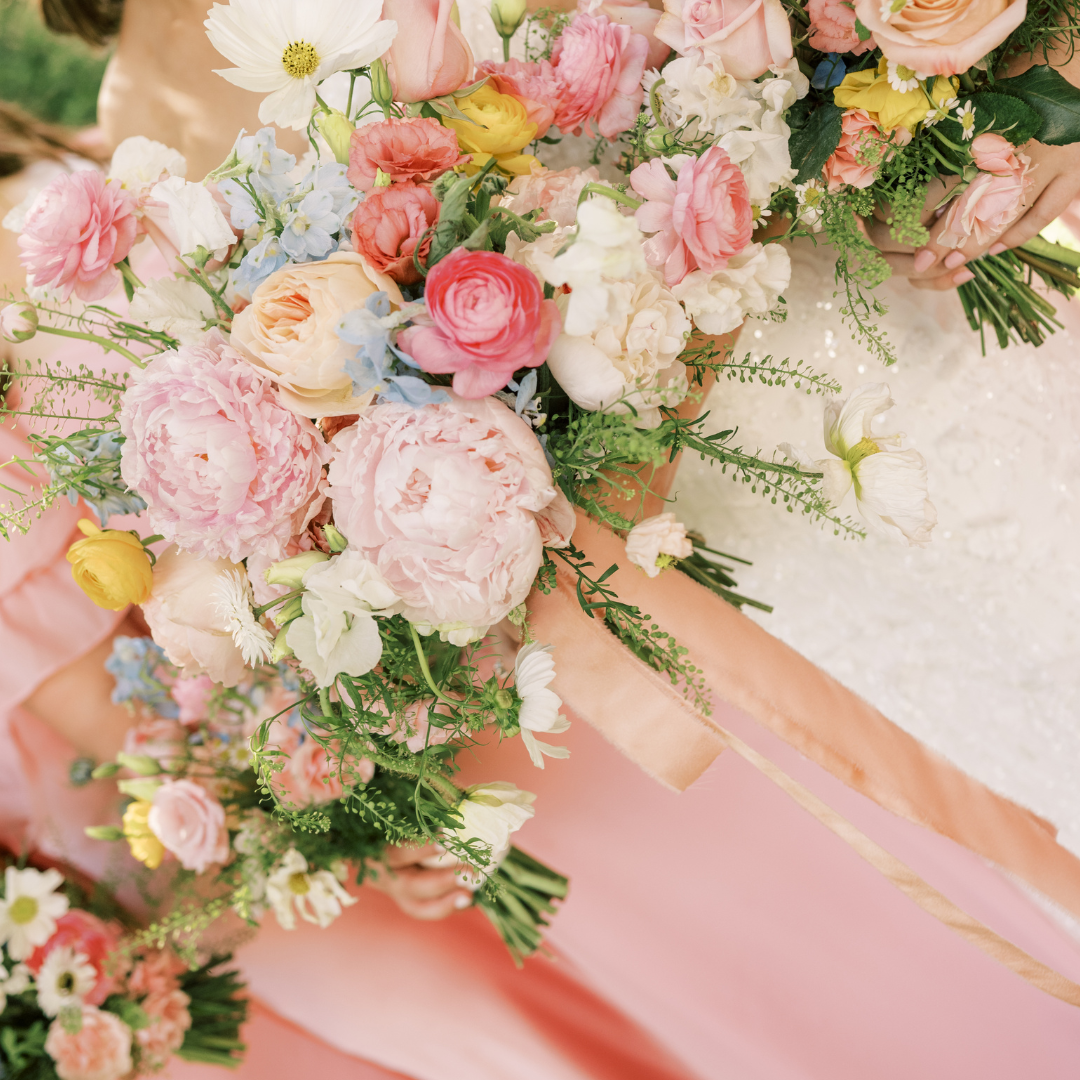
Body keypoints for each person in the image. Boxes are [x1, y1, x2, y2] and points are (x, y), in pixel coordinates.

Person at [3, 3, 1080, 1079]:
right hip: (701, 520)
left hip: (858, 304)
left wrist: (1040, 70)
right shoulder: (125, 210)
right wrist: (377, 763)